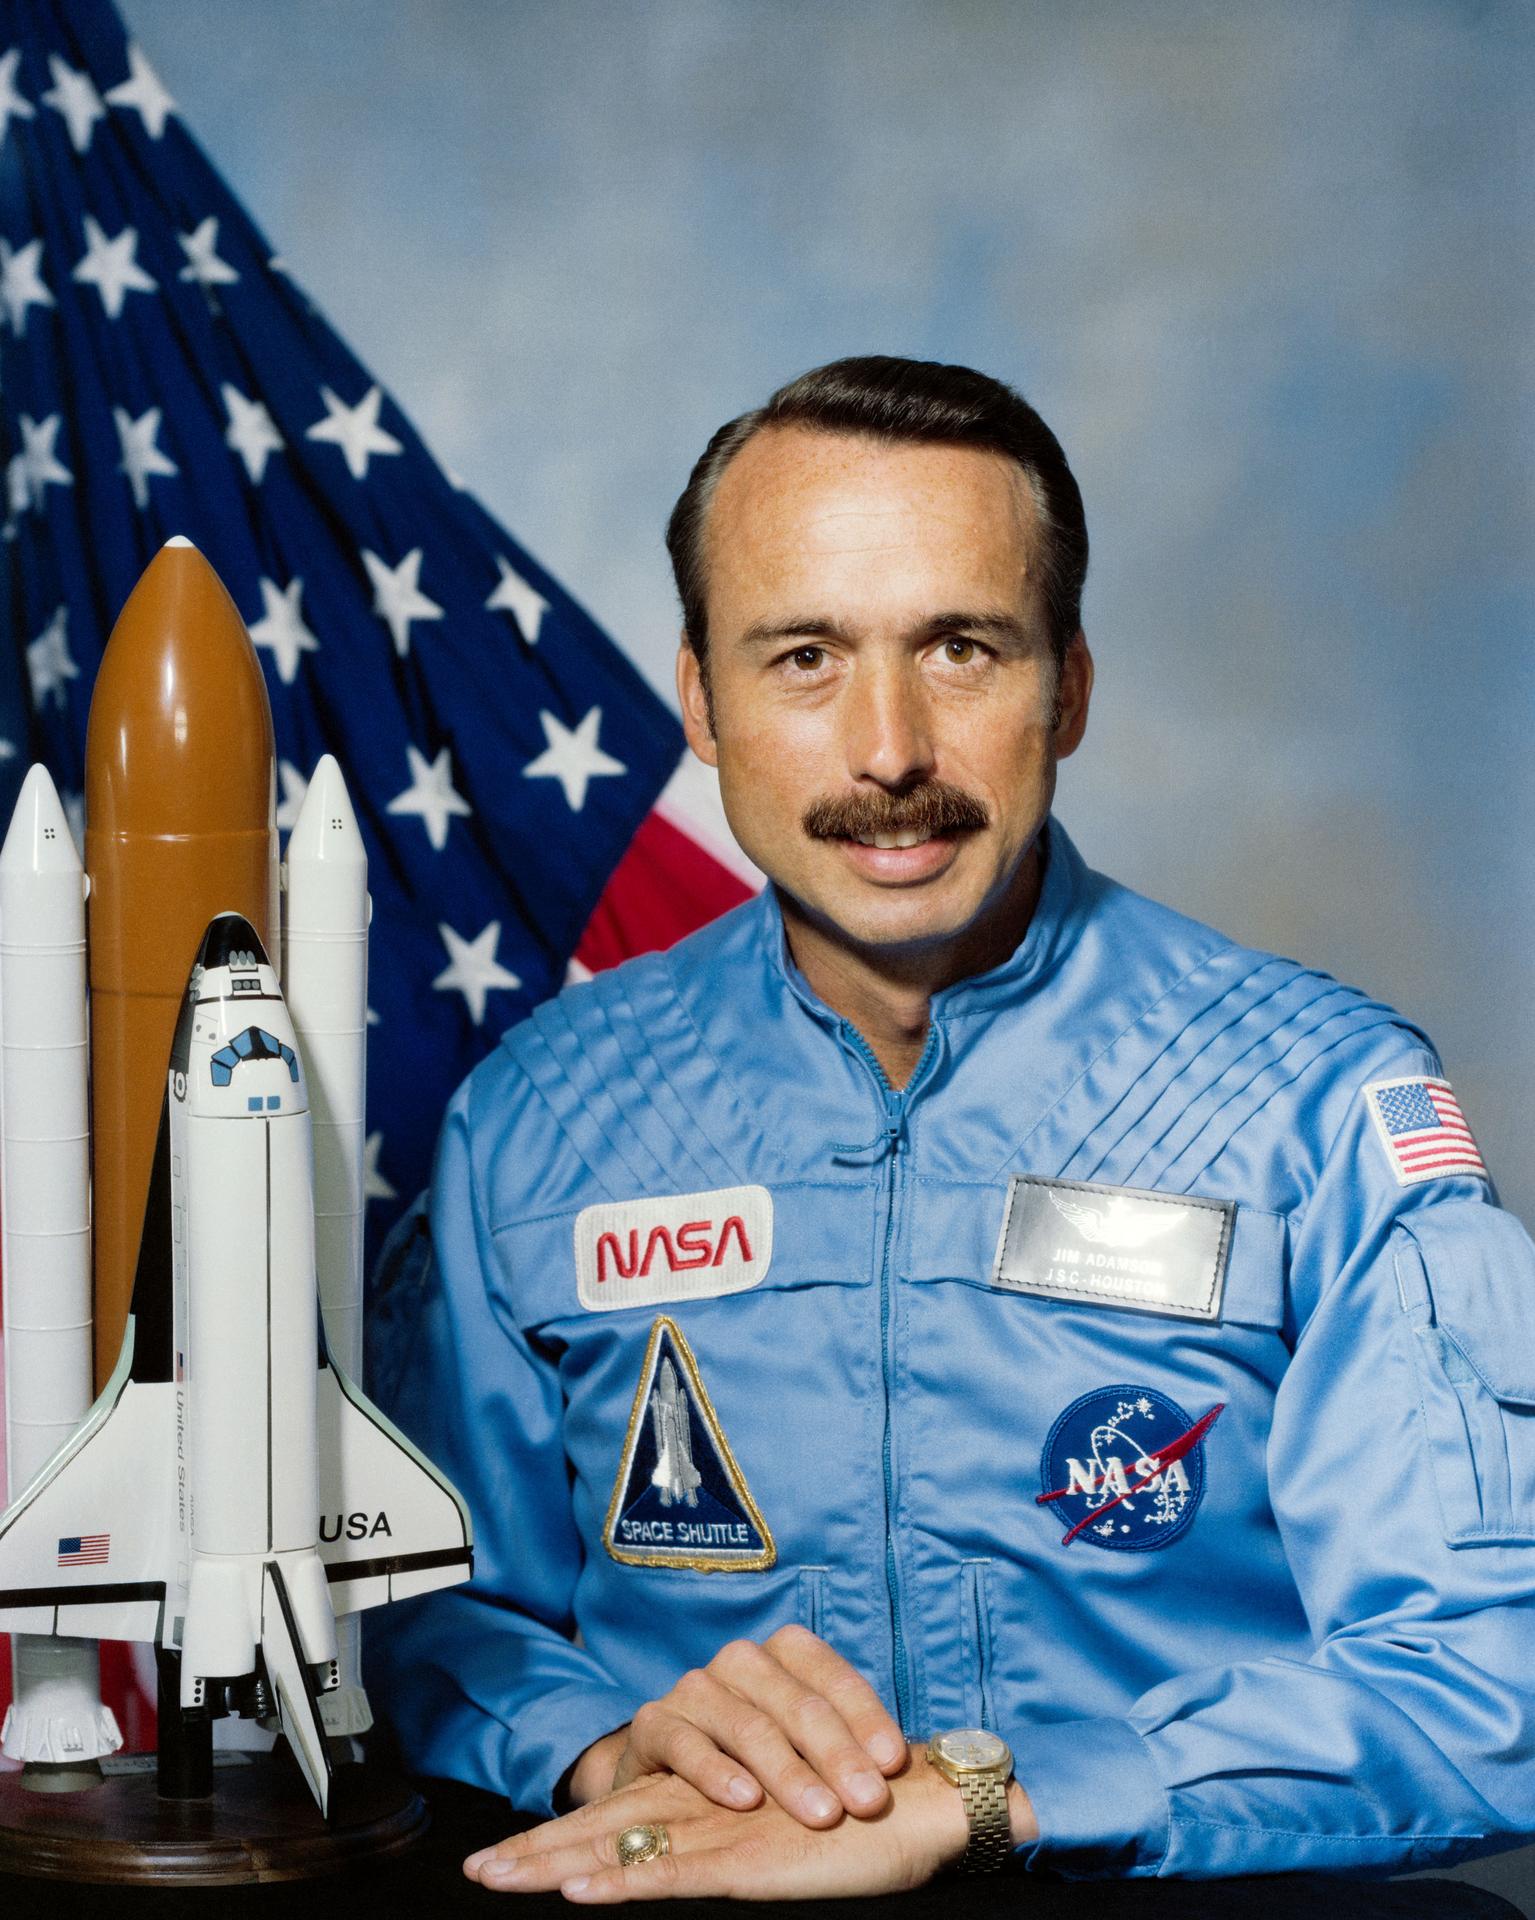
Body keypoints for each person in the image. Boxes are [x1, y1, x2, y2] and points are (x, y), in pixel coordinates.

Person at [364, 356, 1535, 1902]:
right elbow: (423, 1607)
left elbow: (1486, 1679)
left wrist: (991, 1802)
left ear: (1072, 686)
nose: (889, 752)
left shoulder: (1312, 1103)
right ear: (701, 702)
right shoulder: (543, 1117)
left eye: (963, 649)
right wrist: (602, 1748)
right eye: (803, 658)